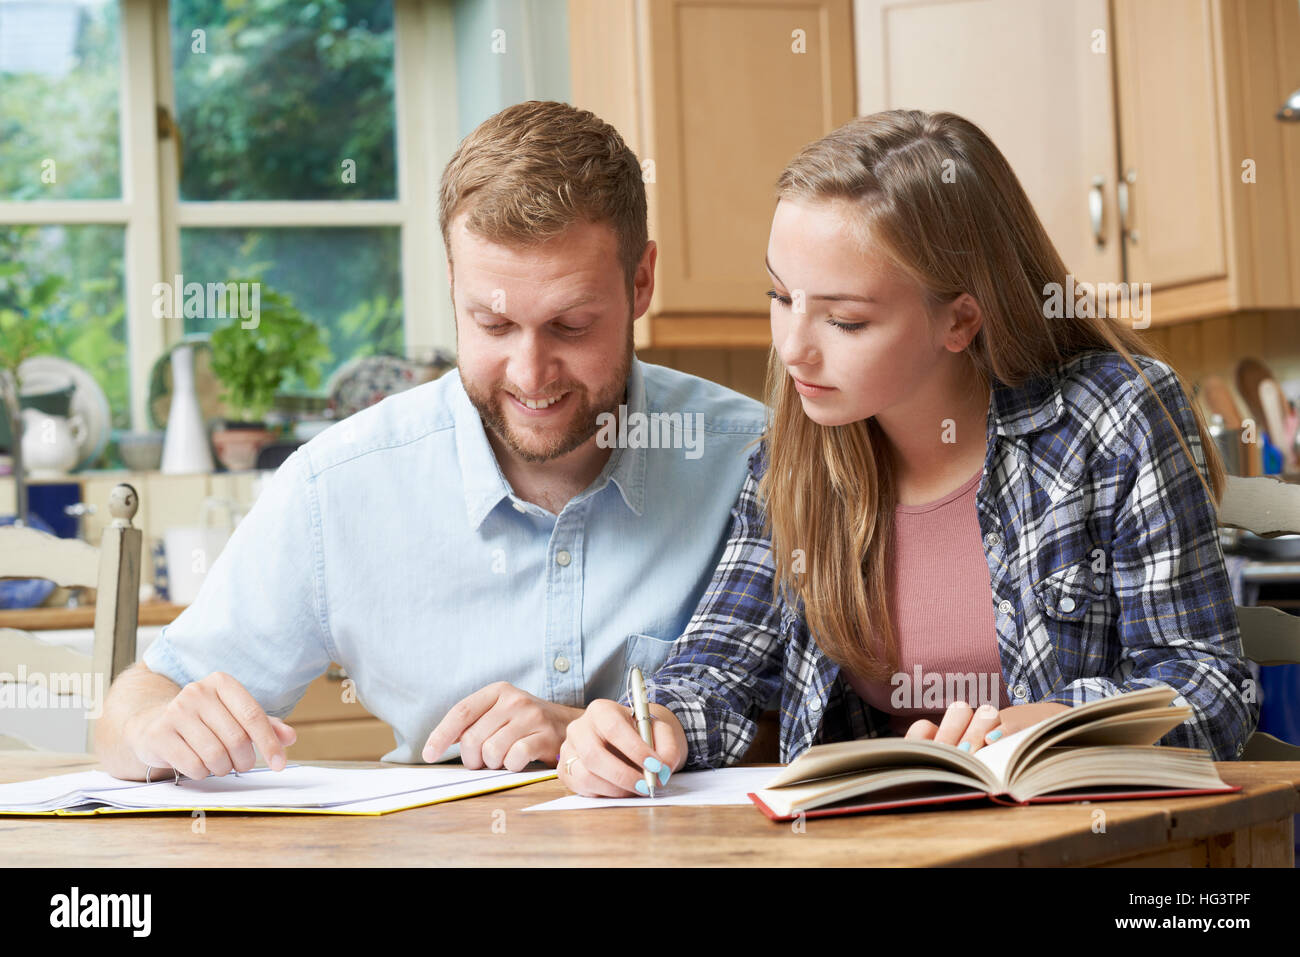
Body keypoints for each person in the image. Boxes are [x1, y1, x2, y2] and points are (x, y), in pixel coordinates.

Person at [558, 109, 1259, 798]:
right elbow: (719, 667)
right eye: (779, 295)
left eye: (844, 319)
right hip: (878, 841)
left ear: (959, 319)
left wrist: (1054, 728)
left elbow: (1209, 686)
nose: (793, 346)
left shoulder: (1111, 417)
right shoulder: (796, 453)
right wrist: (648, 724)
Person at [94, 100, 764, 781]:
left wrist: (621, 731)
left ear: (641, 281)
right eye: (493, 324)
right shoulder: (340, 486)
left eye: (571, 324)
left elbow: (805, 724)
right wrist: (154, 728)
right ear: (451, 283)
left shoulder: (752, 461)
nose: (531, 375)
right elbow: (138, 702)